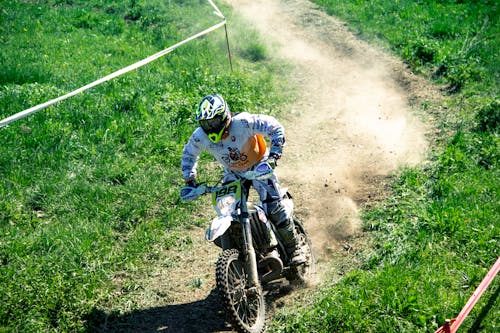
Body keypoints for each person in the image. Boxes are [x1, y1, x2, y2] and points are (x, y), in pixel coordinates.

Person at [181, 94, 306, 266]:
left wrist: (275, 153)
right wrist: (190, 179)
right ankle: (245, 254)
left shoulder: (243, 122)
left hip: (259, 165)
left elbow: (275, 126)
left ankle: (295, 249)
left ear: (224, 116)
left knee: (274, 207)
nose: (210, 127)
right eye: (206, 123)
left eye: (214, 121)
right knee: (228, 212)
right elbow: (189, 153)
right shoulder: (199, 136)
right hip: (233, 173)